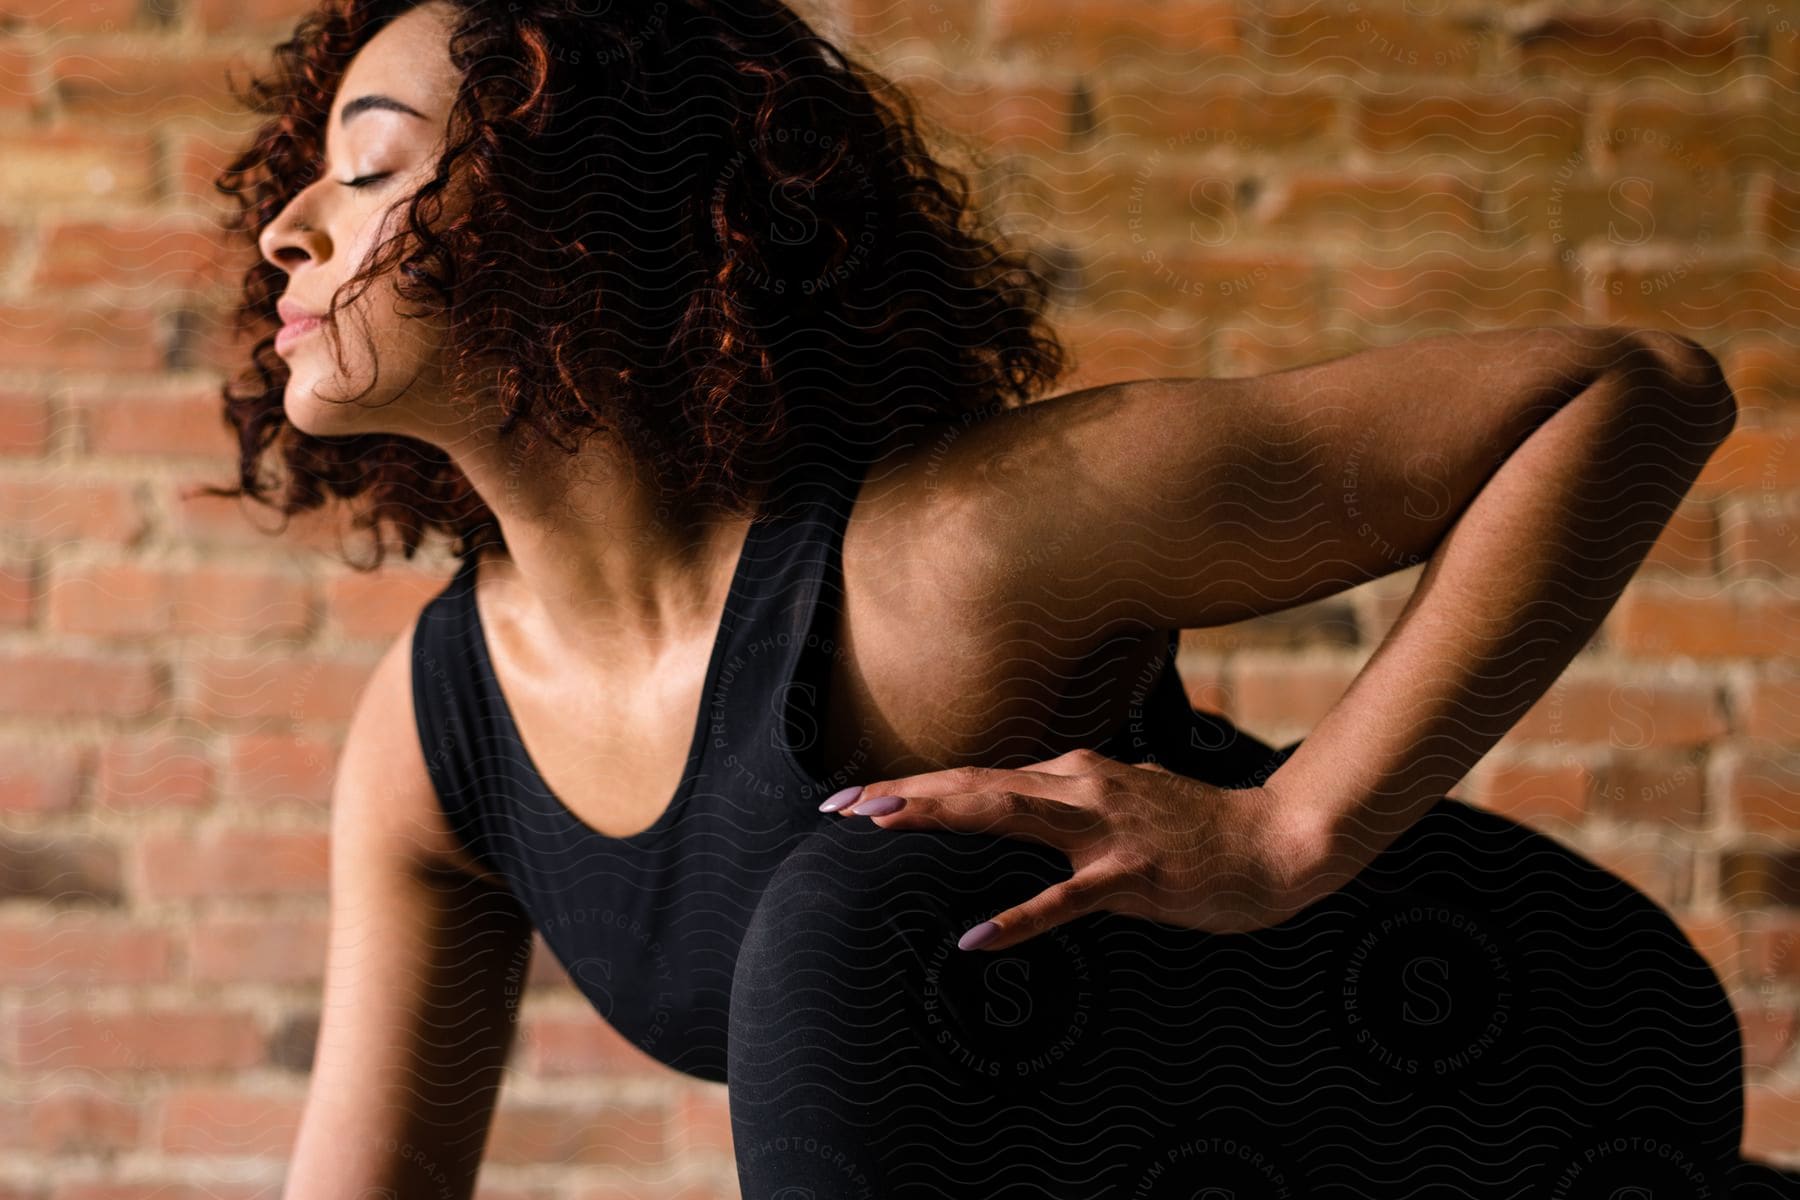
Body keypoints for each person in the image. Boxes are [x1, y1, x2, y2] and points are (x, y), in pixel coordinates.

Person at [196, 0, 1753, 1194]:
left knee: (842, 909)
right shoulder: (438, 734)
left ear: (592, 219)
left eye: (376, 166)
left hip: (1507, 1070)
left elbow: (1634, 394)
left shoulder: (951, 558)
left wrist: (1290, 833)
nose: (290, 224)